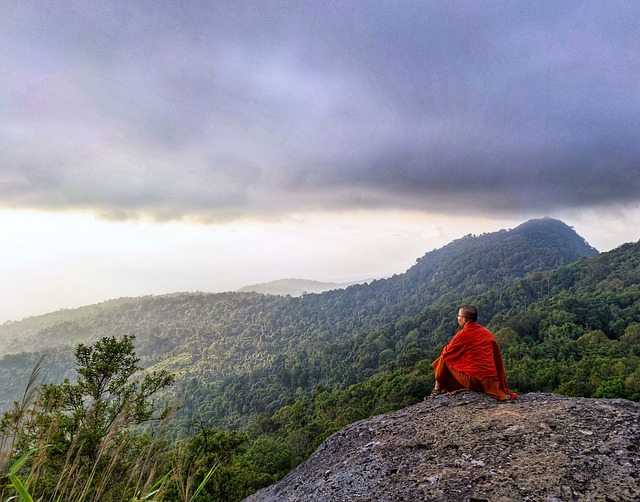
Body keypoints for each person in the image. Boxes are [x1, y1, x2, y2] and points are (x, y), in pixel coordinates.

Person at [430, 305, 517, 400]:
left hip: (476, 382)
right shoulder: (486, 332)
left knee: (444, 358)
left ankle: (437, 389)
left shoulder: (462, 335)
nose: (457, 318)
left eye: (458, 316)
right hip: (492, 382)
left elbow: (446, 353)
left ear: (464, 319)